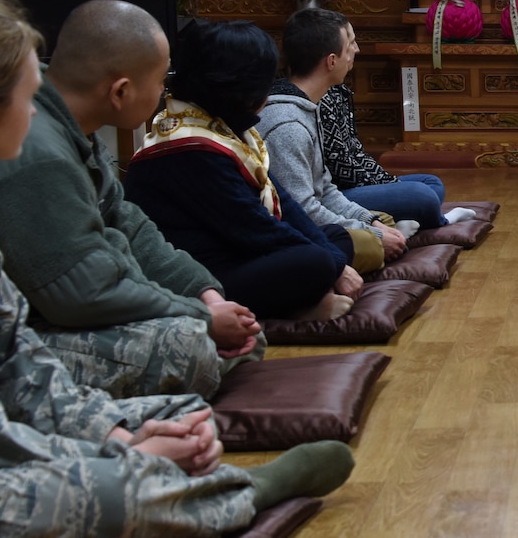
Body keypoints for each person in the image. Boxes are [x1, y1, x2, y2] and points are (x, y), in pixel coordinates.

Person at [0, 0, 352, 538]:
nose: (40, 105)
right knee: (102, 493)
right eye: (28, 91)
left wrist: (113, 430)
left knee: (168, 415)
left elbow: (13, 356)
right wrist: (119, 454)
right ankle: (235, 496)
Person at [0, 0, 262, 399]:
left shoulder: (64, 119)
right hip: (18, 335)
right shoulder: (33, 148)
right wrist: (201, 317)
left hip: (80, 311)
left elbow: (128, 222)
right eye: (162, 79)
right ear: (121, 92)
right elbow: (79, 295)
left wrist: (202, 293)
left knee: (238, 333)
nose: (166, 90)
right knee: (193, 349)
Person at [124, 19, 367, 322]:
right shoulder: (188, 147)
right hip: (205, 273)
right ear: (240, 86)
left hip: (238, 248)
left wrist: (336, 262)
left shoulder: (225, 125)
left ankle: (309, 292)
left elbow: (285, 204)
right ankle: (300, 309)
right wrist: (333, 266)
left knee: (335, 239)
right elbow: (255, 229)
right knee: (315, 261)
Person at [259, 8, 406, 265]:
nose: (357, 50)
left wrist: (368, 221)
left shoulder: (307, 106)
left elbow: (325, 187)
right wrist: (372, 234)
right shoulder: (288, 124)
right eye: (350, 44)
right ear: (331, 61)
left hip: (318, 216)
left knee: (382, 220)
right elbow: (302, 211)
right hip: (295, 231)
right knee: (372, 243)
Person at [316, 74, 449, 229]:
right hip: (336, 194)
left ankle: (402, 222)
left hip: (354, 185)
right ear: (331, 60)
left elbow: (356, 150)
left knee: (431, 183)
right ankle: (441, 220)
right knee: (423, 195)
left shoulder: (336, 91)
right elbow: (342, 168)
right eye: (349, 48)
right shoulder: (319, 101)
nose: (356, 50)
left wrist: (386, 181)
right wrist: (381, 185)